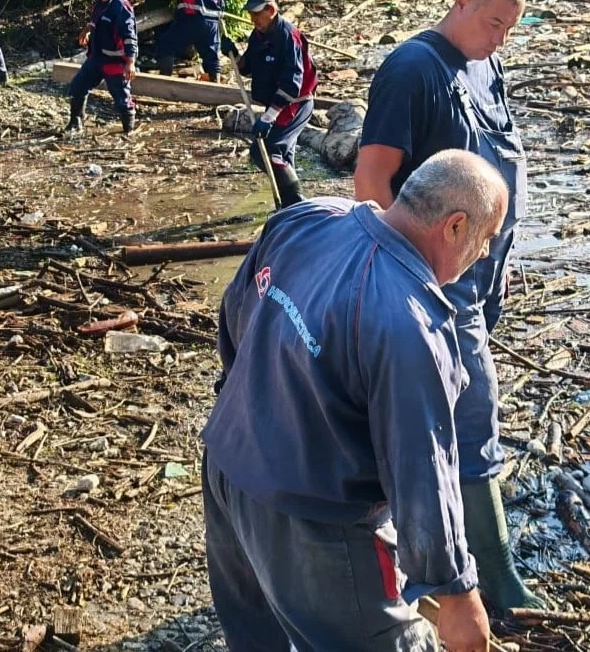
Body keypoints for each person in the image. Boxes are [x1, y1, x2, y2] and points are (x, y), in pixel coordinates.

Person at [204, 150, 504, 652]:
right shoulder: (410, 321)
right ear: (454, 227)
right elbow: (422, 471)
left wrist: (246, 402)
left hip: (227, 465)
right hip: (315, 518)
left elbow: (238, 313)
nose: (487, 251)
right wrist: (455, 591)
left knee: (257, 637)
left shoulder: (308, 219)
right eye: (487, 237)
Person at [352, 0, 540, 613]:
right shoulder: (413, 69)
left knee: (454, 413)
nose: (499, 38)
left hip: (480, 267)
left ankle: (431, 549)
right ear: (462, 1)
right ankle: (490, 576)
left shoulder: (486, 67)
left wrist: (498, 257)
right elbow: (372, 181)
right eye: (493, 23)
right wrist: (407, 280)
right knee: (472, 409)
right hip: (434, 275)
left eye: (509, 28)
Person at [224, 0, 316, 207]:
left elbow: (292, 83)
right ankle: (289, 207)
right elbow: (247, 68)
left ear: (272, 10)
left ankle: (296, 201)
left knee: (264, 150)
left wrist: (268, 117)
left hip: (293, 104)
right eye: (251, 14)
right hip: (276, 103)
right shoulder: (258, 36)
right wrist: (232, 54)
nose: (253, 19)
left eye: (257, 14)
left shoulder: (288, 36)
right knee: (282, 156)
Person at [64, 0, 138, 136]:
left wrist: (130, 62)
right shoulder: (101, 3)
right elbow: (95, 21)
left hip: (114, 61)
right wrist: (87, 29)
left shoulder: (121, 7)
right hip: (96, 58)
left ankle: (129, 131)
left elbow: (130, 37)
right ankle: (75, 123)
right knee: (78, 86)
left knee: (122, 99)